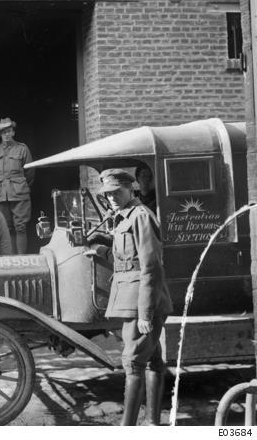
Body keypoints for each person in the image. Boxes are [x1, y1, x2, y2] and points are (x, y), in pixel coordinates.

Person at [88, 169, 172, 426]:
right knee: (153, 359)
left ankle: (128, 427)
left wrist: (146, 313)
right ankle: (153, 424)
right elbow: (127, 261)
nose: (111, 198)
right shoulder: (124, 217)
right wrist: (101, 251)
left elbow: (151, 267)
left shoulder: (141, 217)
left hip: (142, 302)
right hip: (131, 296)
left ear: (131, 189)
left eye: (116, 192)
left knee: (133, 361)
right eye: (107, 194)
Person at [0, 117, 34, 254]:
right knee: (6, 227)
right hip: (1, 194)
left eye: (9, 131)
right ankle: (9, 258)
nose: (6, 134)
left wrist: (21, 185)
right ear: (0, 134)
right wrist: (0, 186)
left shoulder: (22, 148)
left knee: (20, 227)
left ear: (13, 132)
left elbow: (30, 172)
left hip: (19, 193)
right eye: (3, 132)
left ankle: (21, 257)